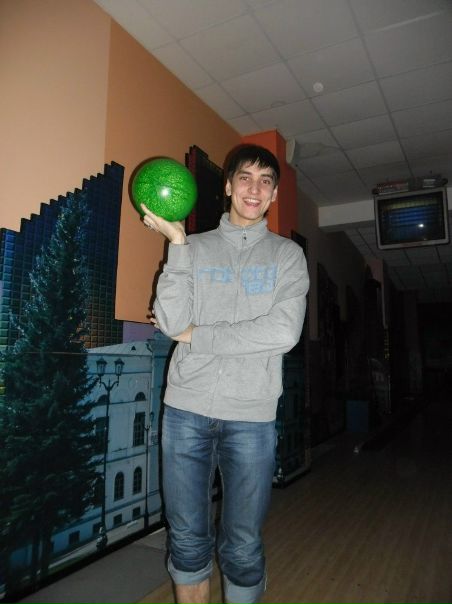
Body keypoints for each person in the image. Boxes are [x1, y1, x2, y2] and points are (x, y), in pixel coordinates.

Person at [141, 144, 309, 604]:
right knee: (186, 538)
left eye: (266, 181)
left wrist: (198, 335)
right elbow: (172, 322)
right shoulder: (192, 249)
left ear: (274, 195)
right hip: (185, 411)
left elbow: (283, 332)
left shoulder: (288, 256)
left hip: (252, 417)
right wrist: (177, 245)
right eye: (246, 178)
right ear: (229, 186)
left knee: (242, 543)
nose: (255, 188)